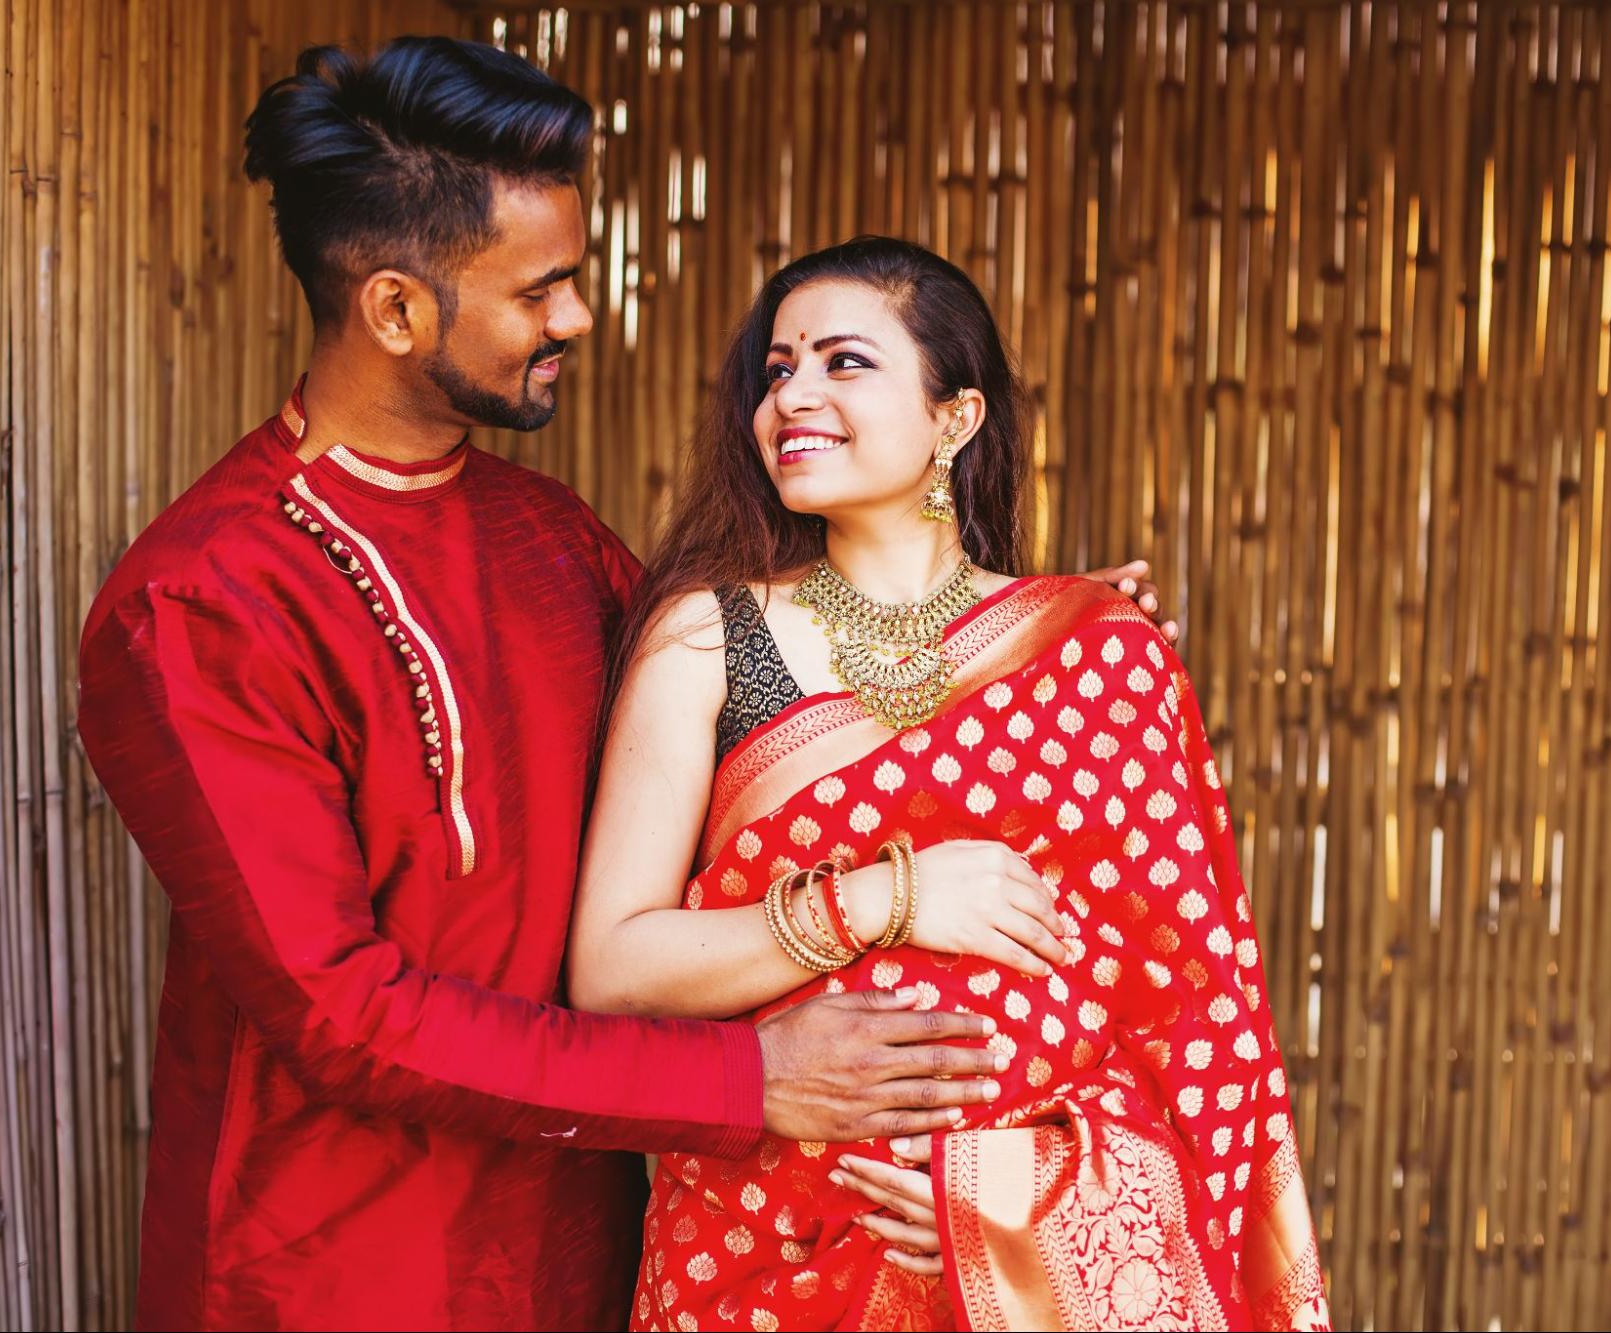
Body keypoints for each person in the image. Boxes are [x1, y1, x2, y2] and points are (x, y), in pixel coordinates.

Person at [77, 42, 1059, 1331]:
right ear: (394, 311)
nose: (578, 318)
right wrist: (744, 1081)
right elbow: (344, 1014)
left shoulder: (556, 541)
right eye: (542, 288)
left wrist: (1029, 626)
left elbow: (791, 705)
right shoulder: (202, 603)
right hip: (328, 1276)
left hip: (585, 1258)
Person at [568, 237, 1328, 1331]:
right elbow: (610, 966)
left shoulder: (1097, 648)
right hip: (761, 1257)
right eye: (777, 370)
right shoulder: (708, 636)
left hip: (1036, 1272)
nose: (794, 397)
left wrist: (1016, 1210)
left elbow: (1188, 1030)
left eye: (844, 363)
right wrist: (889, 896)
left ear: (955, 418)